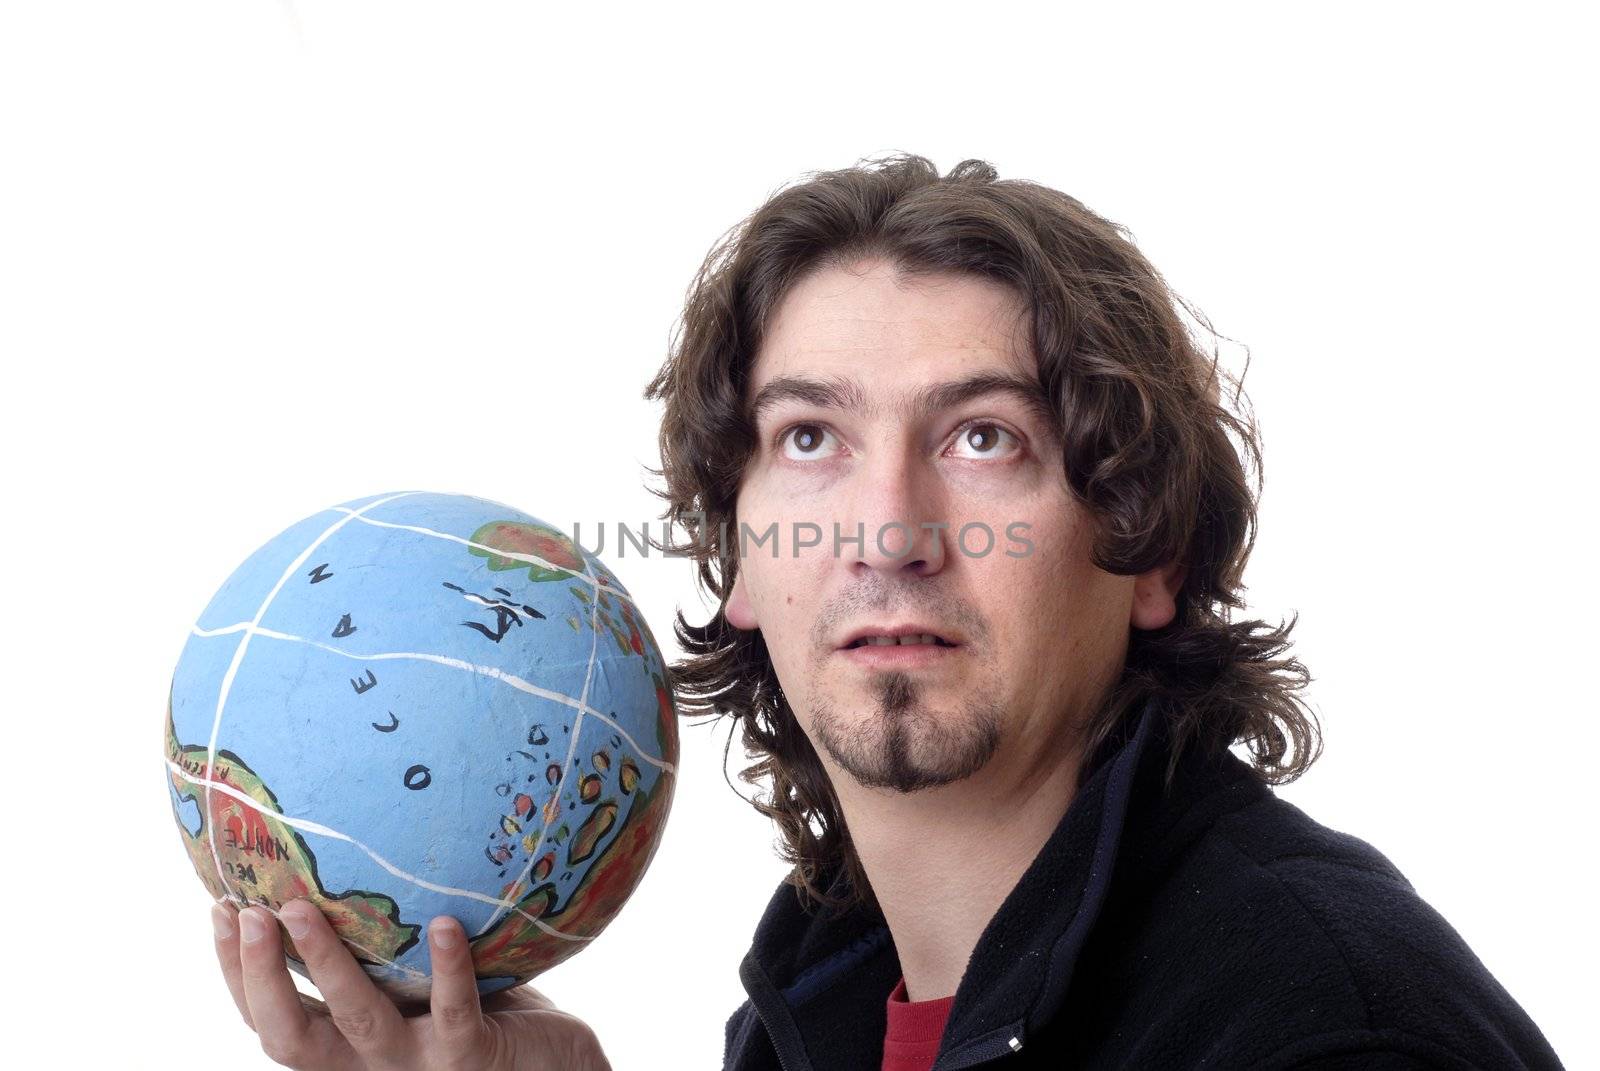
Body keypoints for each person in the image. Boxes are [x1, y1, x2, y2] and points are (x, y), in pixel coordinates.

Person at [208, 155, 1566, 1070]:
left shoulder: (1315, 1026)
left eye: (984, 439)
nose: (890, 532)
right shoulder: (823, 1010)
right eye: (809, 441)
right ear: (734, 556)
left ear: (1150, 545)